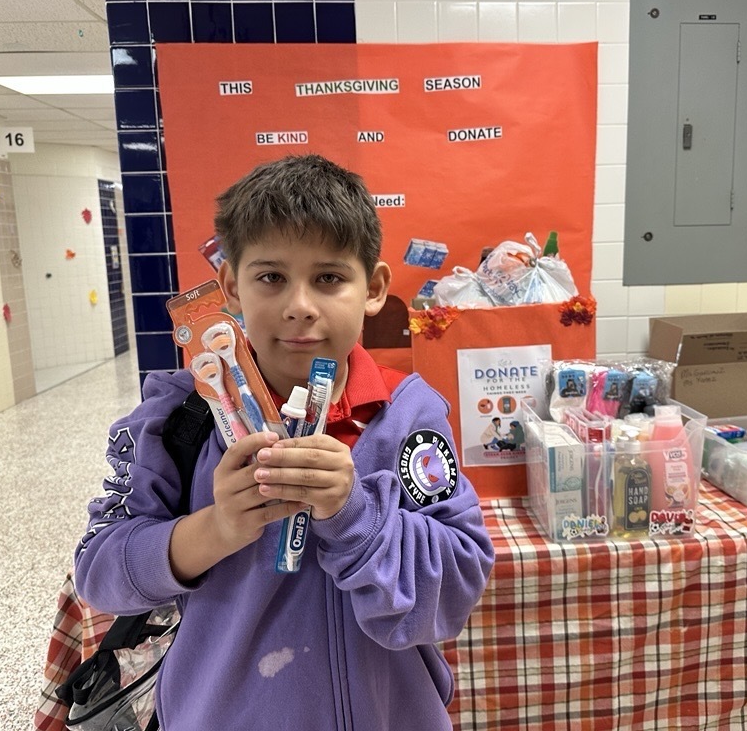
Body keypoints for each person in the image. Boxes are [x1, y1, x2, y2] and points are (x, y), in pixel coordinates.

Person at [74, 154, 495, 730]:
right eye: (271, 277)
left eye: (328, 278)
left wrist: (355, 515)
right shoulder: (178, 417)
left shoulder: (407, 418)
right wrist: (216, 529)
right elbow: (99, 572)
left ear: (372, 289)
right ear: (230, 286)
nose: (300, 305)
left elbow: (453, 590)